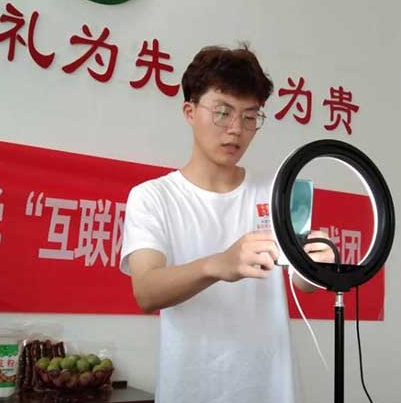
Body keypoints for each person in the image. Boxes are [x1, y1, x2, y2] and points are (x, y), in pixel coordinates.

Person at [120, 44, 333, 403]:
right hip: (191, 389)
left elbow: (302, 282)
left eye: (250, 117)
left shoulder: (274, 191)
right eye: (222, 112)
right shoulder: (153, 197)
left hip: (272, 390)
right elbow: (147, 291)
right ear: (190, 111)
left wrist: (315, 265)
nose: (236, 130)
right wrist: (218, 264)